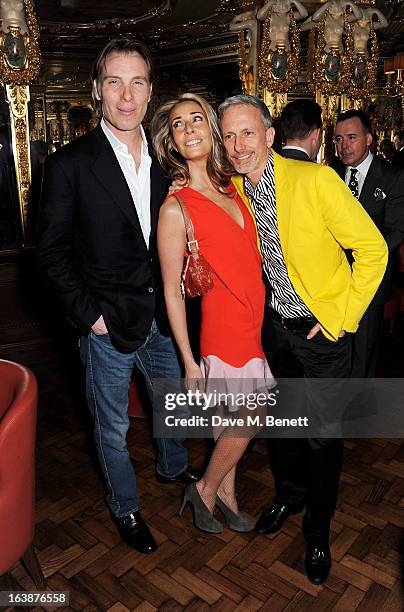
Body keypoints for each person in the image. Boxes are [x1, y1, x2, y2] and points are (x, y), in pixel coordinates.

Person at [36, 38, 199, 555]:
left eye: (137, 83)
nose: (126, 96)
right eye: (114, 83)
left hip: (159, 314)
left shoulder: (165, 161)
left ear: (151, 93)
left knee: (171, 403)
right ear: (97, 91)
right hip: (105, 325)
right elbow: (51, 255)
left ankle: (173, 468)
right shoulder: (69, 164)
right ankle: (126, 507)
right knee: (110, 428)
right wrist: (91, 318)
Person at [218, 94, 387, 584]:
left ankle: (318, 531)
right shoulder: (232, 192)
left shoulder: (316, 180)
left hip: (323, 337)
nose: (238, 144)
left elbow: (373, 251)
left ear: (270, 136)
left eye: (248, 132)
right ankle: (289, 498)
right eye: (228, 135)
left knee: (320, 436)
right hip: (274, 333)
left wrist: (340, 317)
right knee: (285, 428)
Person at [151, 92, 275, 534]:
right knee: (254, 413)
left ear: (212, 130)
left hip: (253, 320)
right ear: (172, 140)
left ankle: (228, 496)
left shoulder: (232, 187)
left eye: (197, 118)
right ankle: (204, 489)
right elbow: (171, 291)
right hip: (224, 328)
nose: (189, 128)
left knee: (227, 424)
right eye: (179, 124)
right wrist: (188, 361)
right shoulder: (174, 208)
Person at [334, 109, 404, 377]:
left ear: (369, 139)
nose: (344, 145)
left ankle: (360, 412)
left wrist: (364, 260)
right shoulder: (331, 173)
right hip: (333, 279)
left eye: (351, 137)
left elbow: (396, 231)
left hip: (370, 281)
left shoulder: (392, 176)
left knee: (363, 354)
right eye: (338, 139)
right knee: (334, 349)